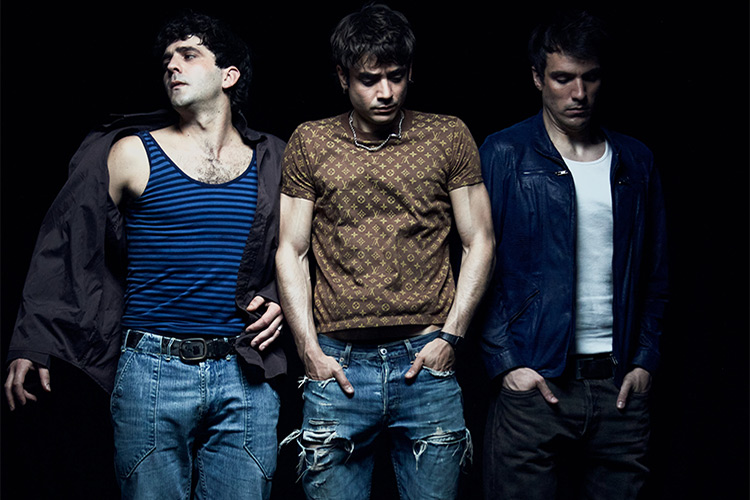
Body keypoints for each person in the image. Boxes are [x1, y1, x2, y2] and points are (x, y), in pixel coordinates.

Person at [4, 11, 287, 499]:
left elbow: (304, 250)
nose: (172, 66)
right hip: (152, 370)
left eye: (189, 55)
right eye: (167, 59)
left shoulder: (275, 159)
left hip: (245, 373)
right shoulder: (133, 153)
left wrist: (279, 296)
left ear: (229, 75)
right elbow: (66, 244)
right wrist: (31, 341)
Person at [275, 4, 495, 499]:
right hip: (337, 365)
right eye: (369, 79)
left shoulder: (448, 135)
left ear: (410, 72)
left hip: (426, 365)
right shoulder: (310, 141)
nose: (386, 92)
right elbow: (291, 249)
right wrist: (309, 350)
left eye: (396, 76)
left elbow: (479, 239)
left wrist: (451, 338)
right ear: (342, 77)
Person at [478, 10, 668, 500]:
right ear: (537, 78)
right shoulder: (504, 154)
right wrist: (506, 363)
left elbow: (656, 274)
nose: (578, 93)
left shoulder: (635, 160)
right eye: (563, 78)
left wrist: (645, 361)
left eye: (590, 77)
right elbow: (476, 265)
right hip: (535, 385)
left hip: (619, 389)